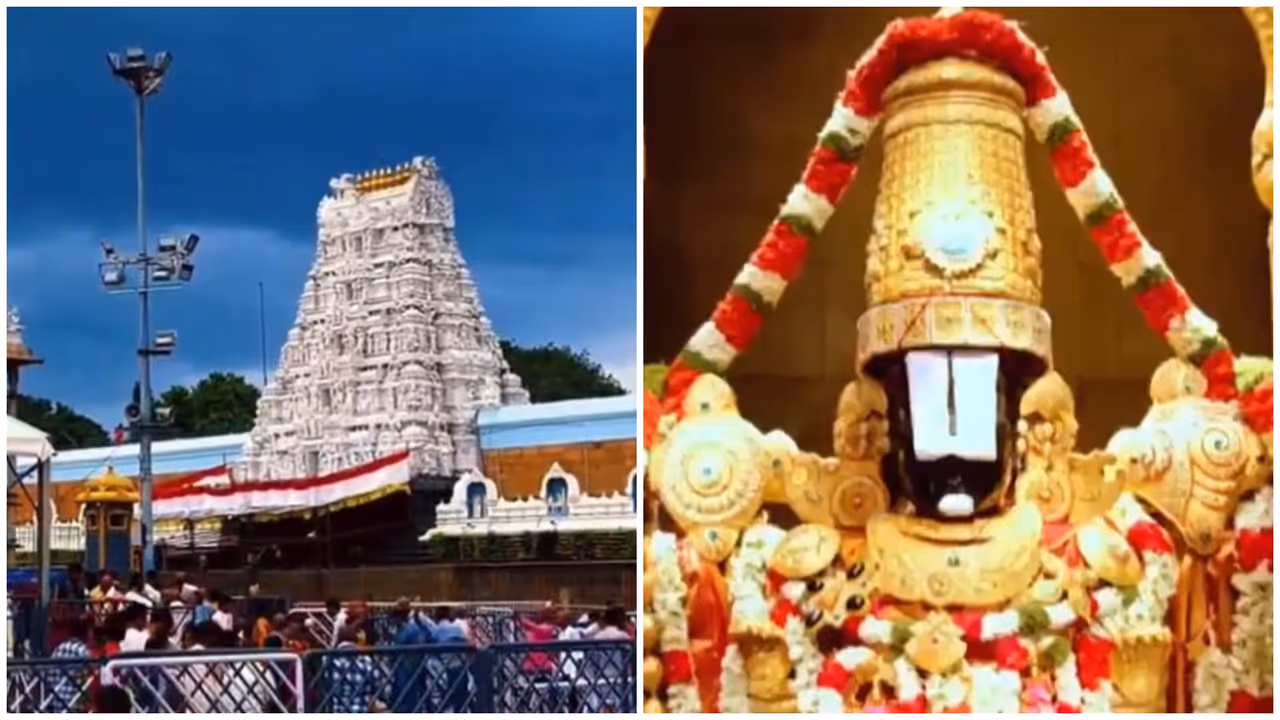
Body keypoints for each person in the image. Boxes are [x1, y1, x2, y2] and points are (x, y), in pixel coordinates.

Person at [320, 627, 384, 712]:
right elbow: (377, 685)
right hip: (361, 710)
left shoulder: (328, 660)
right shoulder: (366, 660)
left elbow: (322, 686)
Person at [49, 617, 93, 712]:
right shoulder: (83, 651)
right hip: (75, 704)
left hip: (57, 703)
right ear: (86, 632)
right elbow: (90, 679)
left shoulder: (58, 649)